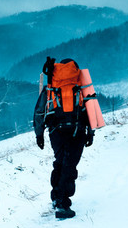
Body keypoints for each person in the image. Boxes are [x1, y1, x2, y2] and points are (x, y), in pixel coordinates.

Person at [33, 58, 94, 219]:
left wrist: (39, 135)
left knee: (60, 162)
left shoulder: (51, 86)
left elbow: (39, 112)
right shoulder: (81, 83)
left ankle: (56, 197)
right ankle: (62, 203)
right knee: (69, 165)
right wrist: (91, 132)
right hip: (77, 129)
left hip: (56, 131)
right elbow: (91, 107)